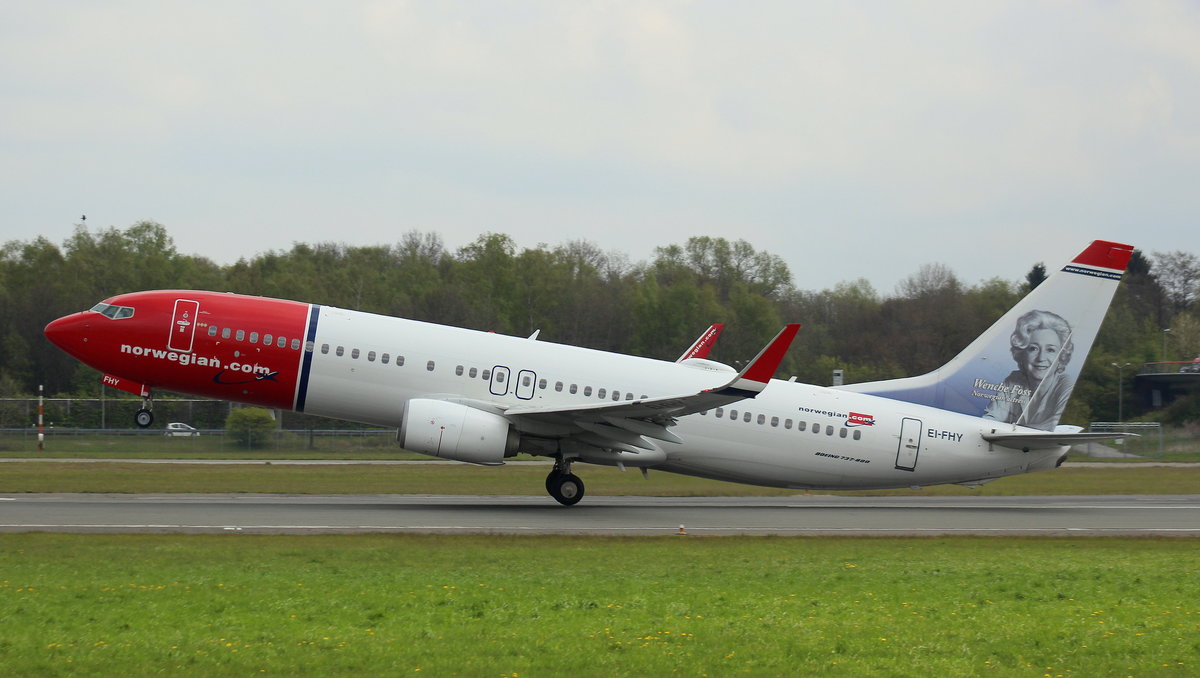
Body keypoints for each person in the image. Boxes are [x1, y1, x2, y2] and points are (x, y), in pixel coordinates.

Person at [983, 309, 1074, 430]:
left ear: (1061, 355)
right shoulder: (1014, 381)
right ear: (1022, 353)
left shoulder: (1065, 384)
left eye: (1050, 350)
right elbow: (991, 418)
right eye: (1033, 348)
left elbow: (1049, 426)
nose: (1041, 358)